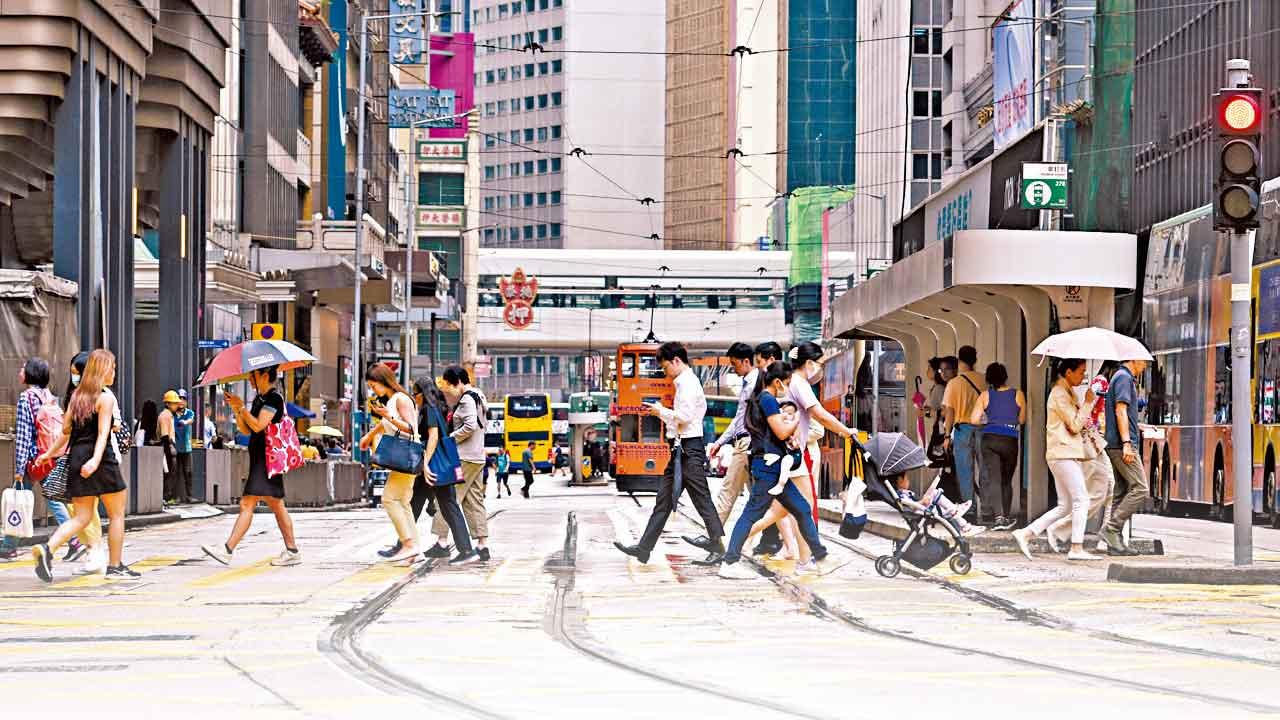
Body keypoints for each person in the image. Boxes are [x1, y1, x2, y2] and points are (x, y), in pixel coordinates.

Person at [615, 341, 725, 565]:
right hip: (680, 449)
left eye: (665, 367)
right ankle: (644, 548)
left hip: (689, 448)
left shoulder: (687, 383)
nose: (664, 373)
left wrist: (660, 411)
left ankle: (717, 544)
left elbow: (684, 417)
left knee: (701, 498)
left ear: (676, 361)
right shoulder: (684, 382)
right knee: (663, 501)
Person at [30, 350, 136, 581]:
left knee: (81, 517)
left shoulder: (76, 397)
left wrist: (47, 454)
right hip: (100, 460)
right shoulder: (105, 398)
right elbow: (102, 433)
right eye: (112, 368)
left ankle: (48, 549)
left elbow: (65, 432)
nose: (114, 372)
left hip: (76, 459)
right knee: (117, 515)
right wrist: (96, 460)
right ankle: (115, 566)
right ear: (102, 370)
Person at [717, 361, 830, 579]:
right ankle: (729, 562)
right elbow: (779, 431)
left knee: (802, 509)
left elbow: (775, 433)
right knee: (751, 514)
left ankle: (819, 554)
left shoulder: (763, 399)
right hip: (768, 469)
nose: (786, 388)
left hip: (774, 468)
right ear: (777, 382)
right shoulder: (767, 399)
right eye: (786, 384)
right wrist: (798, 418)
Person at [201, 366, 301, 567]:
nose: (250, 380)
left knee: (247, 503)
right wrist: (238, 409)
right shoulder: (259, 399)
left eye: (252, 376)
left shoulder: (274, 399)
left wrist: (242, 407)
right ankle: (292, 551)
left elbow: (258, 425)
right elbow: (247, 429)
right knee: (276, 504)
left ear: (264, 375)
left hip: (267, 460)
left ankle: (227, 549)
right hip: (259, 458)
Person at [1013, 358, 1102, 561]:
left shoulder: (1067, 392)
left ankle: (1026, 533)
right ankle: (1076, 548)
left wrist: (1084, 404)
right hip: (1063, 453)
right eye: (1080, 372)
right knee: (1082, 499)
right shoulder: (1059, 394)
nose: (1083, 376)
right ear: (1068, 372)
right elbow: (1074, 425)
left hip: (1063, 453)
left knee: (1066, 505)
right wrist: (1088, 403)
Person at [8, 358, 86, 563]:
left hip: (34, 458)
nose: (21, 371)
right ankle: (9, 543)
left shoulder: (27, 398)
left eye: (24, 368)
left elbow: (25, 435)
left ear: (31, 373)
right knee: (46, 497)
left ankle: (74, 539)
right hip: (49, 454)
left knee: (20, 498)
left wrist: (19, 466)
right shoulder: (48, 397)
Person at [682, 342, 757, 554]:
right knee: (757, 498)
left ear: (745, 361)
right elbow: (738, 419)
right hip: (746, 442)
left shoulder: (753, 384)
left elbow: (741, 419)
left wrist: (721, 441)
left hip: (747, 444)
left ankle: (714, 540)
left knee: (728, 492)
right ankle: (717, 540)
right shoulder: (748, 383)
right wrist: (720, 442)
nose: (733, 369)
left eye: (734, 364)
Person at [359, 363, 422, 564]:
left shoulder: (401, 399)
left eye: (373, 385)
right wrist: (370, 435)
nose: (372, 389)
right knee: (403, 502)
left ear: (383, 381)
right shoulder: (394, 399)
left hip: (406, 454)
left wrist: (390, 417)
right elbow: (385, 423)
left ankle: (409, 544)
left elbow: (411, 429)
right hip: (404, 456)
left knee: (389, 499)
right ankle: (413, 549)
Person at [426, 366, 491, 562]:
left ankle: (442, 542)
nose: (448, 390)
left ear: (457, 381)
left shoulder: (468, 398)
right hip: (477, 456)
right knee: (474, 500)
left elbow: (470, 425)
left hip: (464, 457)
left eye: (449, 385)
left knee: (446, 499)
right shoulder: (479, 395)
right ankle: (482, 545)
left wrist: (449, 439)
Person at [412, 378, 478, 565]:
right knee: (417, 506)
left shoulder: (429, 409)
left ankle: (466, 550)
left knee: (446, 507)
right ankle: (404, 545)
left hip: (433, 466)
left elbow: (433, 437)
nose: (414, 397)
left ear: (422, 393)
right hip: (438, 465)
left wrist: (425, 464)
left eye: (415, 393)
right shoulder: (440, 408)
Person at [1101, 357, 1149, 556]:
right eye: (1145, 361)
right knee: (1140, 488)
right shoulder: (1123, 378)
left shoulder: (1121, 377)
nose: (1145, 366)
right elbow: (1120, 411)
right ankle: (1111, 528)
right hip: (1122, 446)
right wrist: (1127, 443)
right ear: (1135, 359)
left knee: (1121, 491)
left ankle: (1115, 544)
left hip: (1116, 443)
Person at [971, 362, 1025, 530]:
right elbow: (1022, 420)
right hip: (1009, 440)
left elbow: (973, 419)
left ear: (988, 379)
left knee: (994, 478)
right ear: (1005, 377)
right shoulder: (1018, 394)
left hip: (990, 440)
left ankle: (999, 518)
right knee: (1006, 481)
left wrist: (987, 420)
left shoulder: (985, 396)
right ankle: (1007, 517)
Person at [942, 346, 986, 509]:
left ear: (960, 361)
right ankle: (987, 509)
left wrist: (947, 435)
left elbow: (950, 412)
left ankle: (969, 508)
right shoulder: (984, 380)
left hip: (962, 431)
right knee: (985, 470)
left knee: (964, 472)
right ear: (975, 360)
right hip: (983, 429)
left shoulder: (954, 384)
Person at [895, 475, 985, 536]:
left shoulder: (904, 493)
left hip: (920, 510)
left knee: (935, 493)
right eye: (906, 479)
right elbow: (910, 506)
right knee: (935, 493)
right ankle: (956, 513)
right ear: (900, 481)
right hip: (919, 512)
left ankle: (961, 520)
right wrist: (922, 501)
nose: (908, 481)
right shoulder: (901, 495)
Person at [765, 401, 806, 497]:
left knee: (786, 461)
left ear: (795, 416)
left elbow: (796, 444)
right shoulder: (775, 425)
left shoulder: (795, 426)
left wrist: (792, 439)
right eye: (784, 412)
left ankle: (781, 485)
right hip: (780, 454)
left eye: (790, 413)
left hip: (793, 456)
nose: (786, 415)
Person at [173, 389, 196, 503]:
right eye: (179, 399)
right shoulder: (172, 414)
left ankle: (189, 496)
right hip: (175, 448)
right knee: (175, 473)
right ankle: (175, 497)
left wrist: (185, 422)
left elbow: (191, 420)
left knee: (188, 472)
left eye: (183, 399)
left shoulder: (189, 413)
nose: (181, 401)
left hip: (187, 447)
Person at [157, 390, 180, 504]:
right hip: (167, 447)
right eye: (174, 403)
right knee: (169, 473)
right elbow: (165, 436)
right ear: (167, 404)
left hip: (168, 446)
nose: (177, 405)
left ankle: (167, 497)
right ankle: (166, 497)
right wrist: (170, 449)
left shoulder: (169, 415)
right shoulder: (165, 416)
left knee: (171, 472)